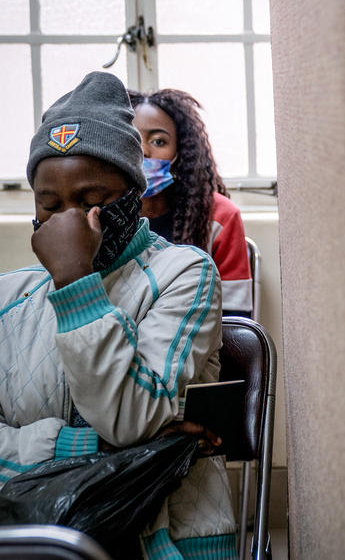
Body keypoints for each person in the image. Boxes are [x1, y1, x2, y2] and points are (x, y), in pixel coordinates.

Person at [0, 72, 237, 559]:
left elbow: (132, 419)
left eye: (91, 202)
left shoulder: (183, 274)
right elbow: (132, 441)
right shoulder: (10, 297)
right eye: (50, 205)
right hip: (36, 537)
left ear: (131, 194)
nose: (67, 220)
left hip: (162, 540)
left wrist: (75, 284)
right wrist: (84, 447)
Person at [128, 89, 253, 317]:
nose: (144, 151)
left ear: (180, 152)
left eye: (158, 141)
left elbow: (235, 318)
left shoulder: (220, 216)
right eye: (133, 139)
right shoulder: (99, 211)